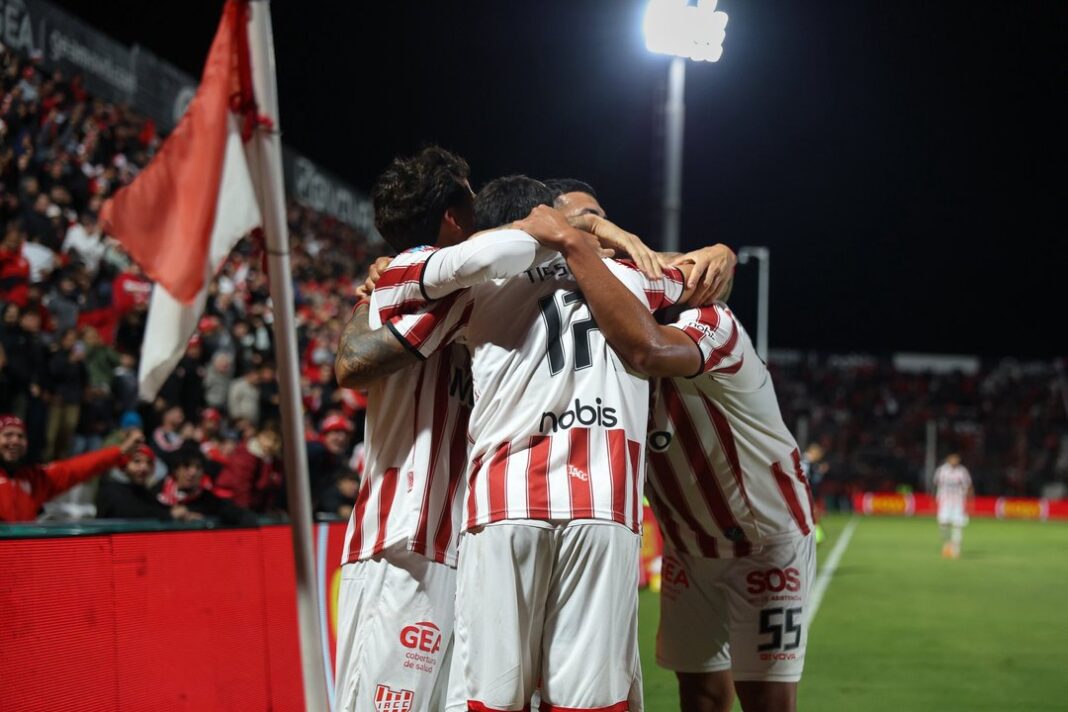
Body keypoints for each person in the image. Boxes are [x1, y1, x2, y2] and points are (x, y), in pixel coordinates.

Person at [371, 176, 720, 712]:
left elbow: (394, 292)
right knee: (588, 702)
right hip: (602, 504)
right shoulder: (627, 277)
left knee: (491, 698)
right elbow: (697, 277)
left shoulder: (474, 282)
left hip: (503, 507)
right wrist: (720, 252)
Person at [521, 200, 815, 712]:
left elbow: (650, 350)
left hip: (764, 539)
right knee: (699, 695)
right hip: (687, 545)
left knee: (766, 700)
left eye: (599, 222)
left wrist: (584, 239)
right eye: (580, 227)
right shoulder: (574, 342)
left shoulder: (709, 322)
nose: (599, 235)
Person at [1, 413, 144, 522]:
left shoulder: (34, 479)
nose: (15, 441)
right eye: (8, 435)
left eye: (21, 436)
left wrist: (120, 451)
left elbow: (76, 468)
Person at [153, 445, 258, 526]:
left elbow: (240, 515)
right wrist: (170, 515)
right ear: (175, 470)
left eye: (198, 468)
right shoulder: (157, 492)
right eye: (186, 466)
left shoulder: (209, 500)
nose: (193, 472)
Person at [214, 423, 283, 513]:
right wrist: (245, 510)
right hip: (231, 501)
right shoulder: (247, 453)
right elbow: (241, 484)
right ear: (259, 436)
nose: (270, 444)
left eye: (275, 440)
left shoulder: (272, 460)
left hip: (256, 505)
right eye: (268, 438)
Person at [933, 453, 972, 559]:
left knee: (958, 525)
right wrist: (935, 498)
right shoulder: (941, 471)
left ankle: (956, 550)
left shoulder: (962, 471)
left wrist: (969, 500)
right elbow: (936, 484)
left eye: (957, 459)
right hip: (945, 501)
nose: (955, 461)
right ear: (948, 460)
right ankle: (947, 543)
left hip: (958, 502)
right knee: (943, 523)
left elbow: (968, 485)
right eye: (953, 459)